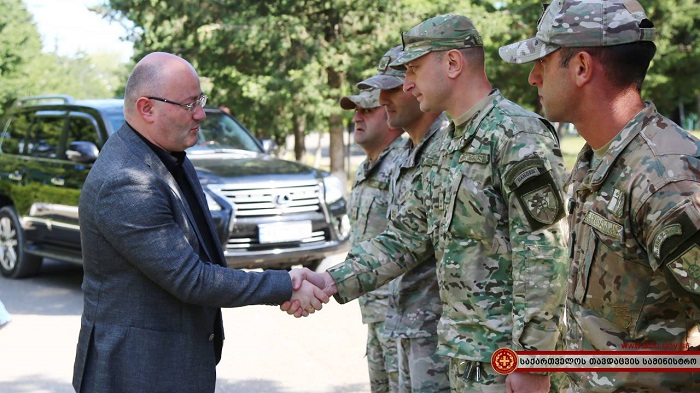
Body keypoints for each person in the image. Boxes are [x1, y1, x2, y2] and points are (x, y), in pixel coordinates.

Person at [286, 14, 569, 392]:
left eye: (415, 68)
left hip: (505, 361)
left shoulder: (517, 135)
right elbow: (405, 238)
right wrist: (329, 279)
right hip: (462, 354)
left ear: (452, 63)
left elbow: (544, 256)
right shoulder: (446, 145)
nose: (407, 84)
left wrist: (534, 362)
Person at [72, 52, 328, 393]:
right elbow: (191, 279)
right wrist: (285, 284)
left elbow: (203, 257)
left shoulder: (166, 156)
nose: (201, 114)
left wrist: (290, 279)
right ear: (147, 108)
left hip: (167, 366)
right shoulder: (127, 180)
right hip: (136, 372)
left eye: (201, 100)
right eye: (189, 103)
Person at [499, 1, 700, 391]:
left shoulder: (666, 181)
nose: (532, 78)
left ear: (581, 68)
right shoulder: (598, 158)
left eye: (542, 61)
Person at [356, 45, 450, 393]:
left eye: (392, 88)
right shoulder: (412, 153)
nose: (382, 100)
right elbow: (403, 238)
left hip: (441, 332)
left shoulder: (448, 149)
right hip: (402, 320)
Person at [340, 87, 404, 392]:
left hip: (401, 314)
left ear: (391, 113)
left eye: (367, 110)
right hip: (375, 312)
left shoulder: (402, 166)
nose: (357, 118)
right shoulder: (367, 167)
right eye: (355, 111)